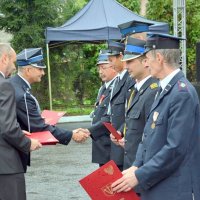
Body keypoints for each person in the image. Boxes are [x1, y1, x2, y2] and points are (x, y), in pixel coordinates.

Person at [111, 33, 200, 200]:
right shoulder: (164, 89)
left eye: (147, 58)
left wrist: (139, 175)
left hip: (173, 189)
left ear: (158, 58)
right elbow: (148, 137)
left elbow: (175, 148)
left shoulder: (182, 93)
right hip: (157, 183)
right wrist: (136, 165)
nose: (146, 63)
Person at [9, 48, 89, 171]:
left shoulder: (14, 85)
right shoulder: (22, 94)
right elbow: (37, 127)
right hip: (12, 156)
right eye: (40, 69)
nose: (43, 73)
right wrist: (71, 134)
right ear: (28, 70)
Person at [0, 43, 42, 200]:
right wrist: (26, 143)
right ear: (4, 59)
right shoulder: (4, 85)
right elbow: (8, 128)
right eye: (13, 61)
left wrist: (17, 131)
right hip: (6, 166)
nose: (13, 66)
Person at [110, 37, 158, 170]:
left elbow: (152, 134)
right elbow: (133, 120)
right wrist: (121, 131)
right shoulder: (136, 89)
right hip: (132, 163)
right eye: (125, 62)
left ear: (145, 62)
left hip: (142, 167)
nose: (125, 66)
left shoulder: (153, 91)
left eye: (130, 61)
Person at [89, 50, 118, 167]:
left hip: (110, 145)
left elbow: (110, 116)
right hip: (101, 145)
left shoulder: (117, 87)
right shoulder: (104, 87)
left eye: (104, 68)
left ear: (114, 67)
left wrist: (89, 131)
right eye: (99, 68)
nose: (100, 72)